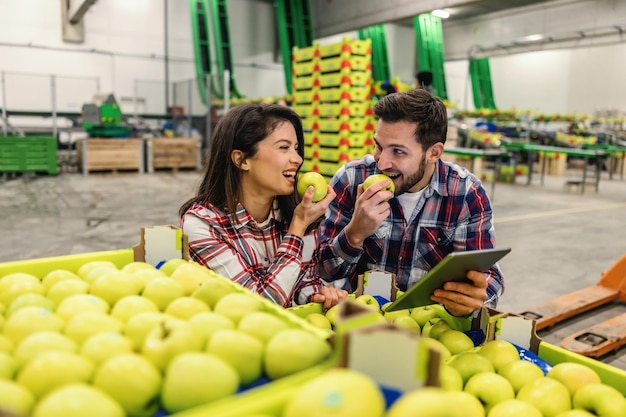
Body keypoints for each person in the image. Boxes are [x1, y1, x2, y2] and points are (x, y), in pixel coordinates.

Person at [318, 89, 504, 317]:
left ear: (434, 153)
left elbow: (490, 278)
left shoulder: (465, 193)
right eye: (379, 146)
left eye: (398, 151)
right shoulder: (352, 179)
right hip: (356, 320)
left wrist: (474, 295)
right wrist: (355, 233)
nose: (382, 162)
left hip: (428, 326)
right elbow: (323, 270)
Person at [180, 103, 347, 310]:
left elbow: (303, 282)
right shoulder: (203, 225)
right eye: (284, 148)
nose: (297, 159)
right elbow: (258, 305)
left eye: (296, 149)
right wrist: (297, 229)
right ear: (241, 160)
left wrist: (316, 295)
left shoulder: (297, 212)